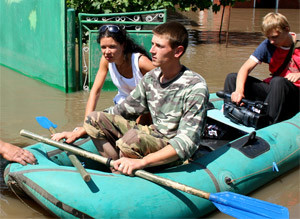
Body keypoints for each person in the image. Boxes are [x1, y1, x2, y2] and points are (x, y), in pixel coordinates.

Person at [82, 21, 209, 175]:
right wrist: (80, 130)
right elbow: (122, 110)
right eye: (152, 44)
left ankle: (125, 173)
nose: (151, 50)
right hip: (153, 134)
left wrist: (142, 162)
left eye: (159, 46)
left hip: (171, 146)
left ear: (177, 52)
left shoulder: (195, 87)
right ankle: (116, 170)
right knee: (93, 119)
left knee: (132, 140)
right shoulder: (151, 78)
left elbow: (187, 142)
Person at [52, 25, 154, 143]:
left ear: (123, 45)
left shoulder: (140, 62)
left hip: (144, 109)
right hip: (123, 107)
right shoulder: (106, 60)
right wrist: (87, 123)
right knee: (95, 120)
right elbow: (95, 92)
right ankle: (83, 132)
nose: (107, 52)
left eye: (112, 47)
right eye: (103, 47)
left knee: (132, 134)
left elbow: (165, 83)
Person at [224, 12, 300, 124]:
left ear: (287, 29)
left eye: (275, 37)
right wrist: (239, 91)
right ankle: (231, 114)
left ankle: (268, 123)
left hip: (294, 95)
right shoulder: (268, 45)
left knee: (278, 82)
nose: (272, 41)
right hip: (275, 91)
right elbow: (245, 68)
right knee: (232, 78)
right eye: (268, 38)